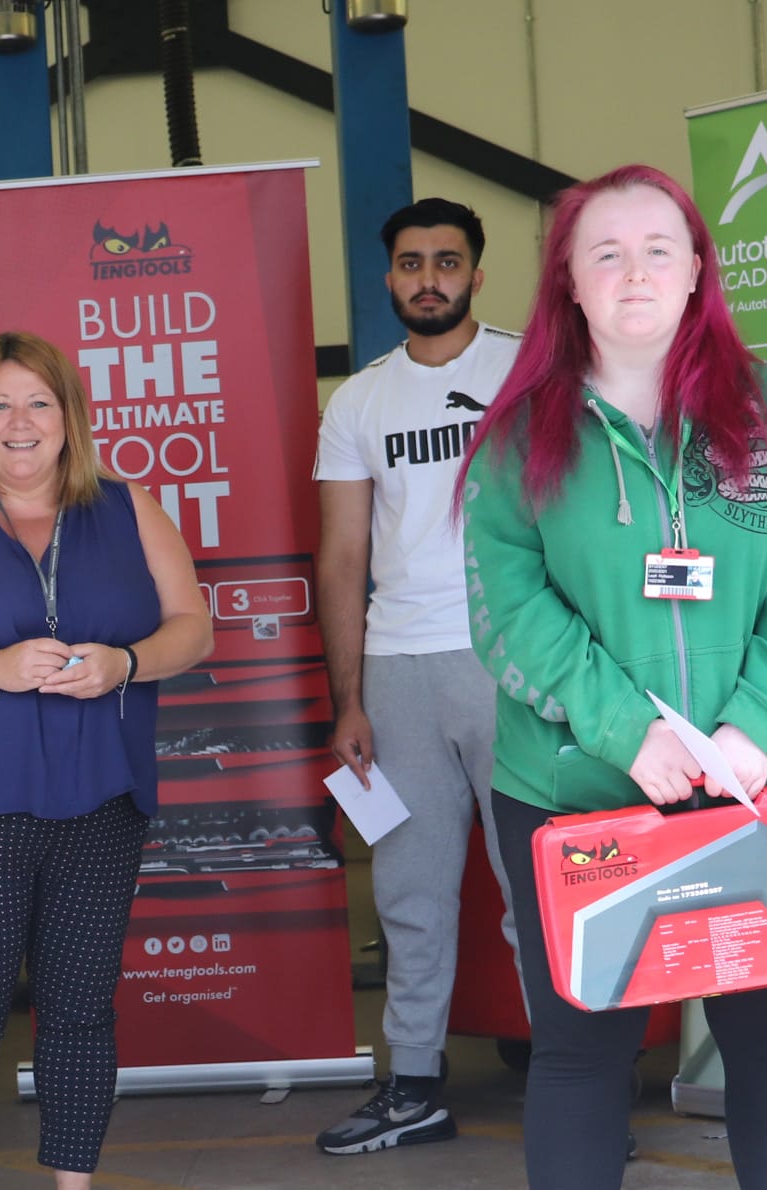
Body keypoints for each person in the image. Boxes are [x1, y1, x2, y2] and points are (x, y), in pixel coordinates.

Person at [460, 164, 767, 1189]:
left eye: (657, 250)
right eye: (606, 253)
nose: (634, 273)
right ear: (570, 286)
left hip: (766, 784)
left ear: (694, 276)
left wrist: (756, 729)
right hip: (579, 794)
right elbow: (509, 613)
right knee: (585, 1052)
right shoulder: (517, 435)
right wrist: (629, 732)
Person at [0, 331, 213, 1190]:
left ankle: (73, 1185)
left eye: (39, 404)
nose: (20, 423)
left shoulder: (129, 510)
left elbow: (193, 628)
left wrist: (124, 663)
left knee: (81, 1014)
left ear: (69, 419)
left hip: (102, 799)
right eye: (0, 405)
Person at [311, 197, 526, 1155]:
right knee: (407, 889)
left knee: (542, 889)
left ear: (478, 273)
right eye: (410, 263)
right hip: (395, 669)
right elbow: (342, 556)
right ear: (389, 277)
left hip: (515, 660)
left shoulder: (531, 370)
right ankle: (414, 1086)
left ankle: (580, 1083)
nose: (427, 278)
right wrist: (348, 700)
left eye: (446, 261)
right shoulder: (358, 401)